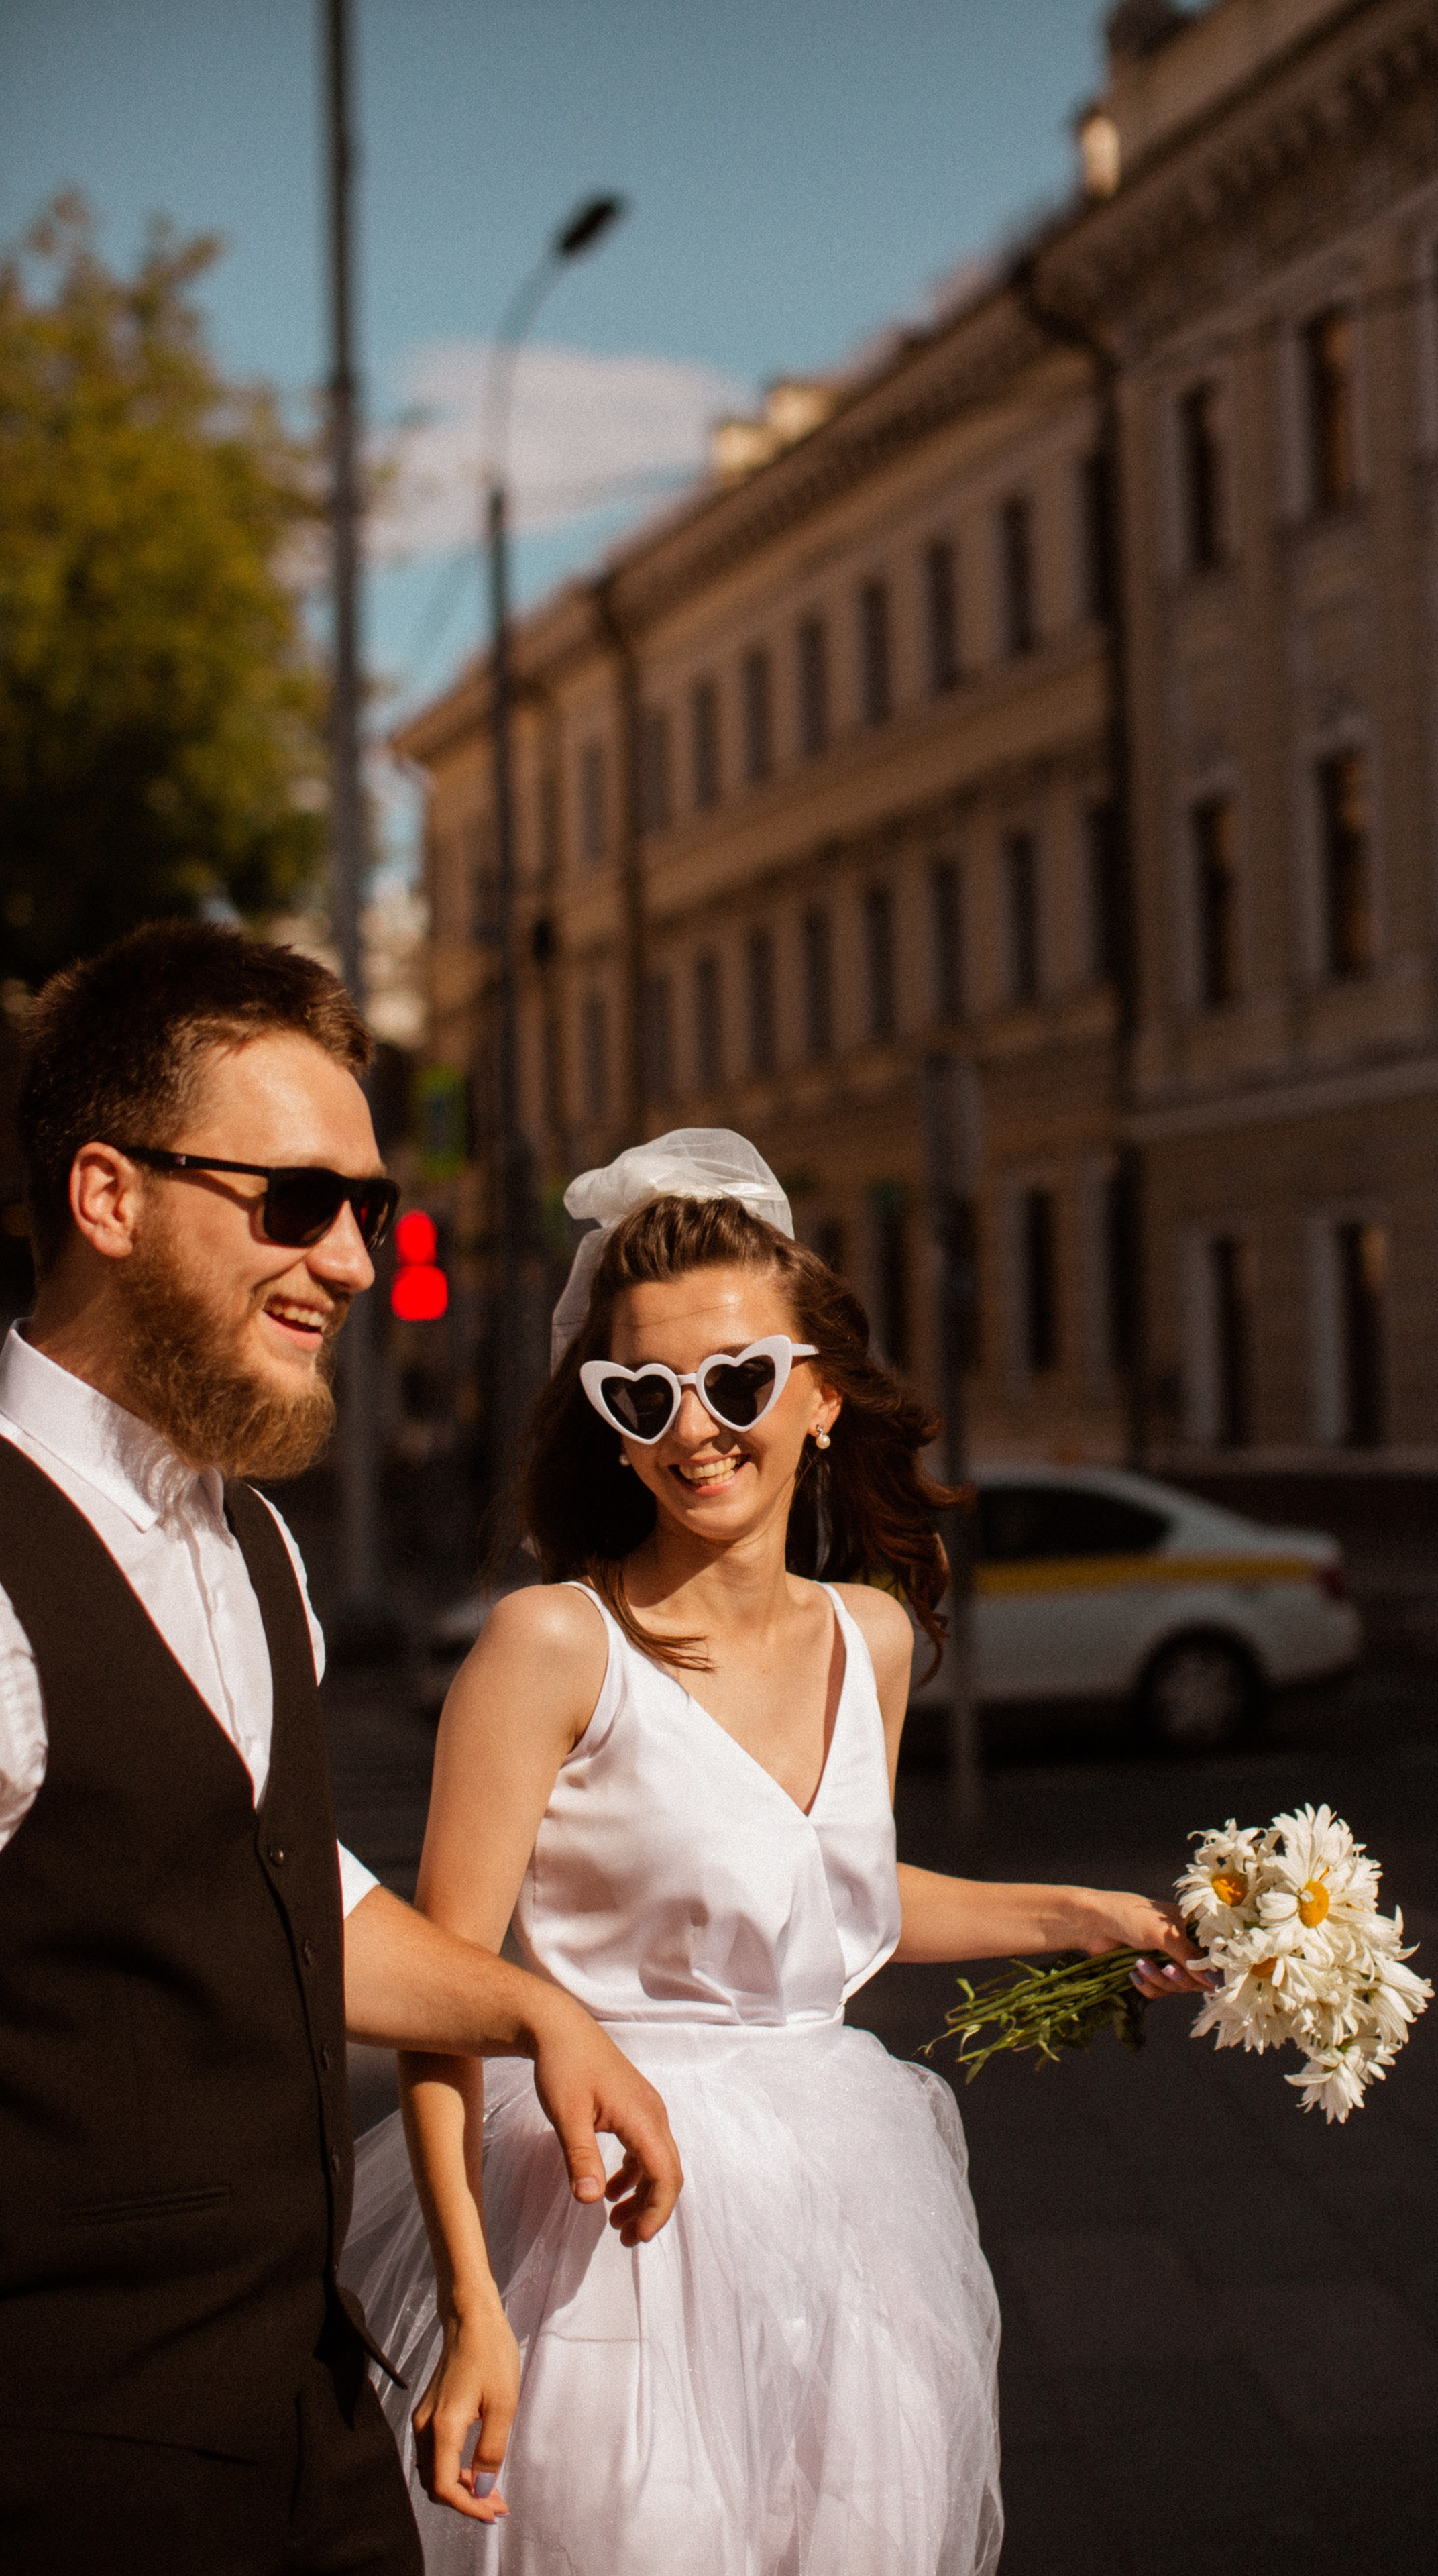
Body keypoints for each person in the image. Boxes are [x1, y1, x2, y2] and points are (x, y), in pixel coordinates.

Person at [344, 1130, 1208, 2575]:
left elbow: (829, 1903)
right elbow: (445, 1991)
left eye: (737, 1380)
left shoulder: (866, 1639)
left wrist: (1081, 1915)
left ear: (816, 1395)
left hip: (847, 2225)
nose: (695, 1428)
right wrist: (474, 2304)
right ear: (609, 1424)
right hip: (604, 2237)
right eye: (645, 1393)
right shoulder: (552, 1645)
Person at [0, 924, 681, 2576]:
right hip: (69, 2467)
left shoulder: (254, 1549)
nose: (356, 1262)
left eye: (367, 1208)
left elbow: (279, 1887)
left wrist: (529, 2008)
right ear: (109, 1197)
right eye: (296, 1203)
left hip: (310, 2426)